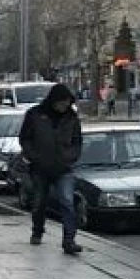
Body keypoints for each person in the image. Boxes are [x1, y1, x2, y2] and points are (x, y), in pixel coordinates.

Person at [18, 83, 84, 256]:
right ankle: (37, 230)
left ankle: (69, 240)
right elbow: (25, 138)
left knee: (67, 202)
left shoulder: (71, 118)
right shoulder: (35, 114)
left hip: (64, 168)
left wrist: (70, 157)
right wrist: (34, 156)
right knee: (39, 201)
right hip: (40, 167)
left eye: (68, 103)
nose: (65, 106)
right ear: (54, 101)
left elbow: (77, 141)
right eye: (62, 103)